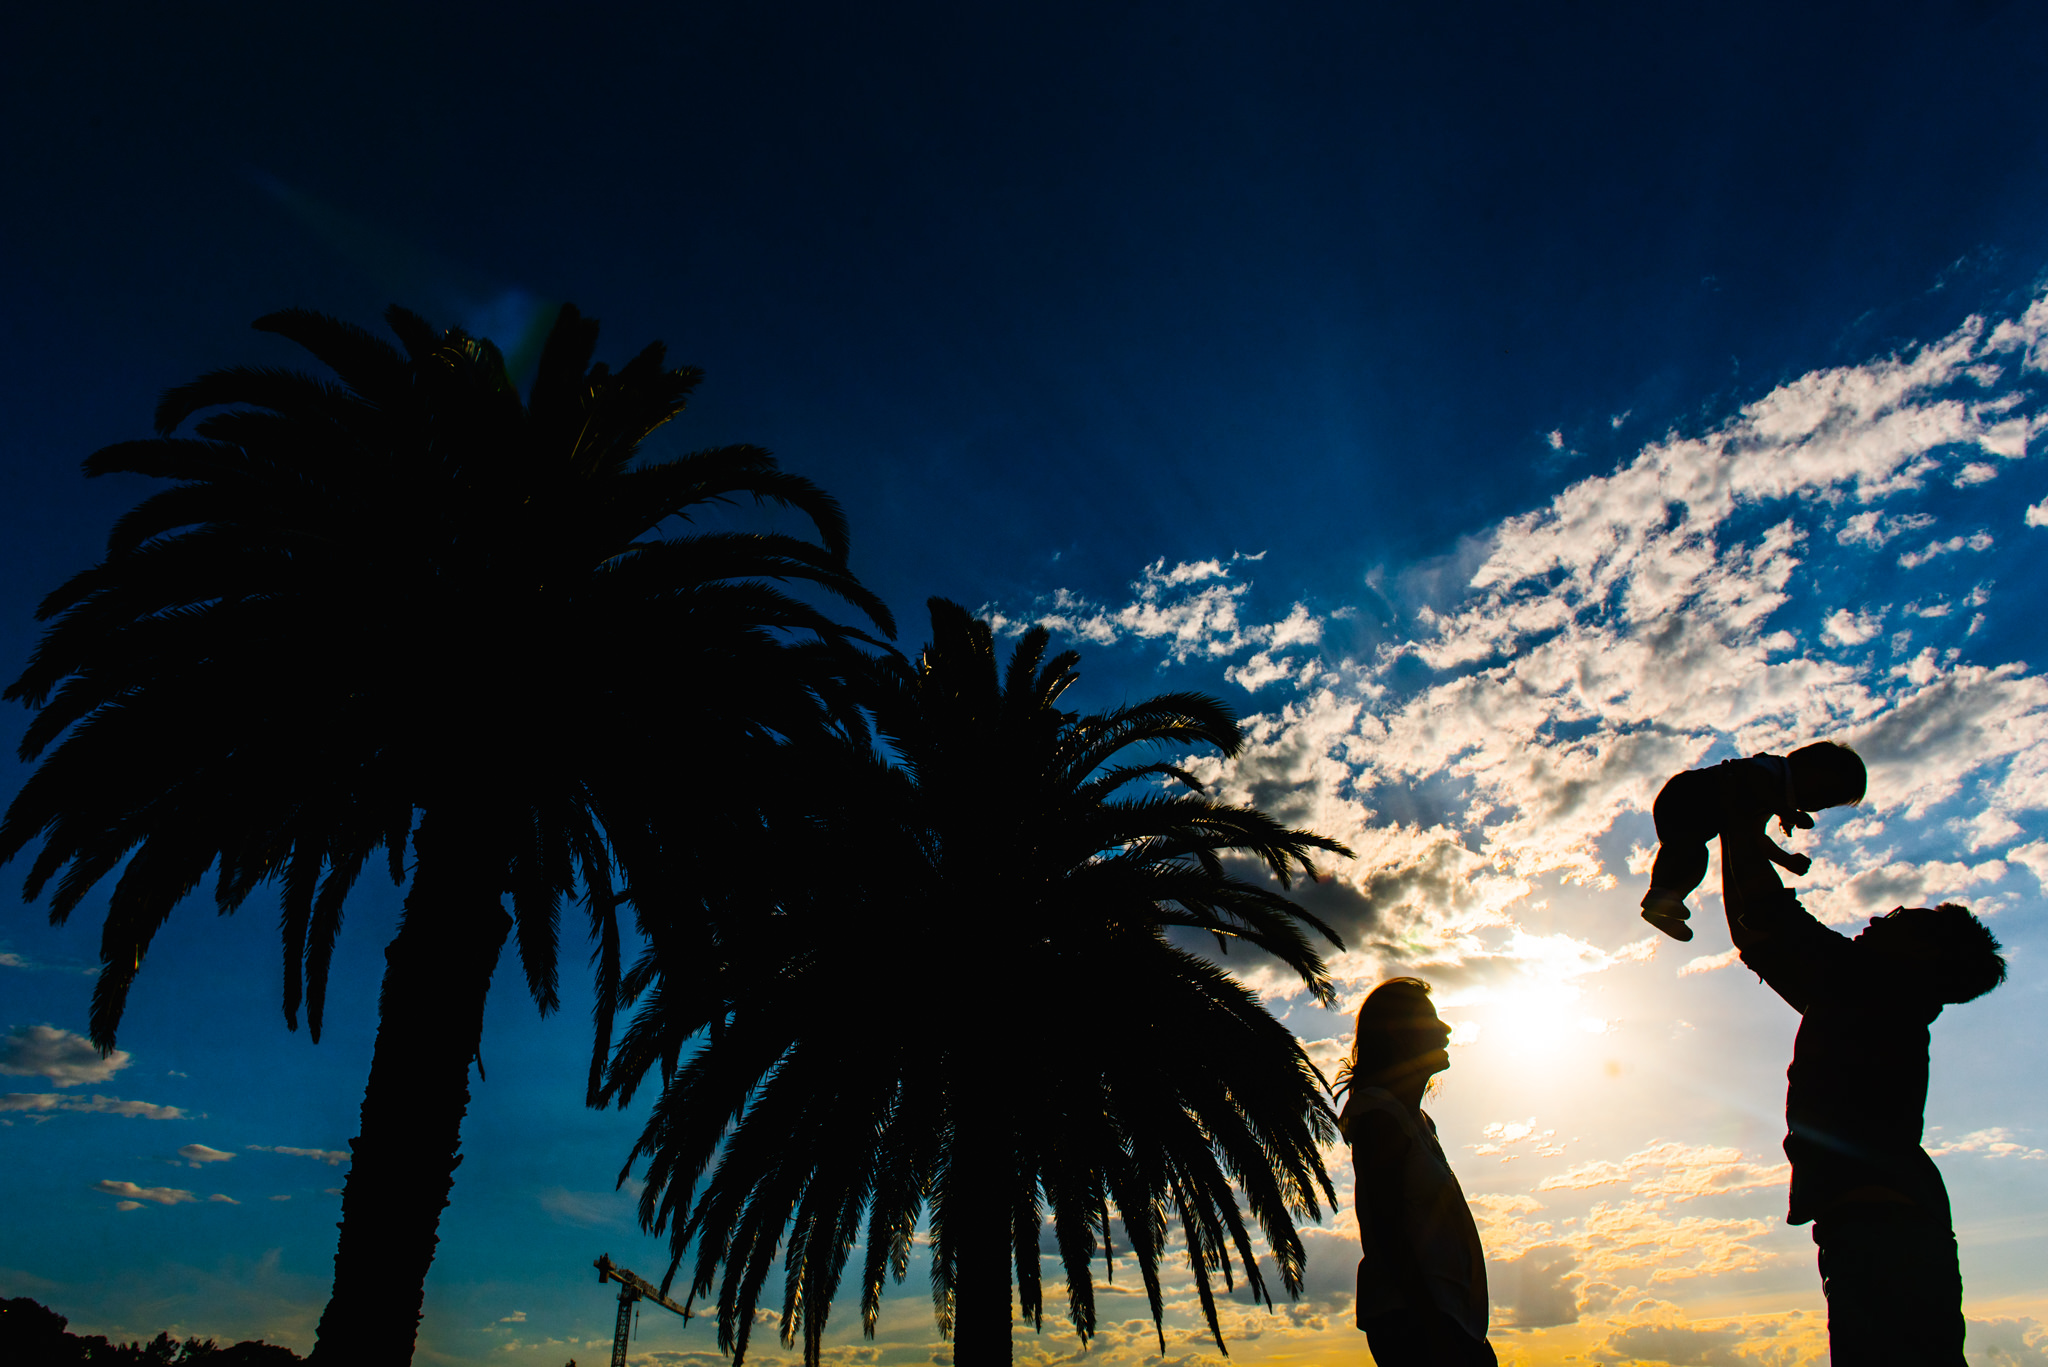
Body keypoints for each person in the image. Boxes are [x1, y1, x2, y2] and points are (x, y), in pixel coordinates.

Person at [1719, 817, 2007, 1366]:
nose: (1877, 916)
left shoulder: (1875, 987)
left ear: (1922, 955)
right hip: (1890, 1232)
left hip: (1883, 1237)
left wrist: (1737, 816)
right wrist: (1737, 828)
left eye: (1899, 918)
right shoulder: (1874, 999)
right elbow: (1759, 933)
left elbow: (1764, 923)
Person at [1336, 977, 1495, 1366]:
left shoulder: (1418, 1122)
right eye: (1429, 1020)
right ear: (1398, 1033)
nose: (1445, 1029)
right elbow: (1389, 1238)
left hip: (1446, 1319)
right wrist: (1435, 1331)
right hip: (1416, 1322)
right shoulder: (1380, 1119)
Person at [1640, 741, 1867, 942]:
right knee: (1686, 848)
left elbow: (1755, 836)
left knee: (1693, 856)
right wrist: (1785, 811)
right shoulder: (1773, 768)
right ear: (1806, 765)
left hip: (1694, 812)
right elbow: (1755, 781)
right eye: (1825, 792)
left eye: (1827, 804)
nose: (1819, 804)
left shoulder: (1768, 798)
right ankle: (1662, 897)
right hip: (1687, 794)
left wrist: (1786, 860)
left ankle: (1662, 902)